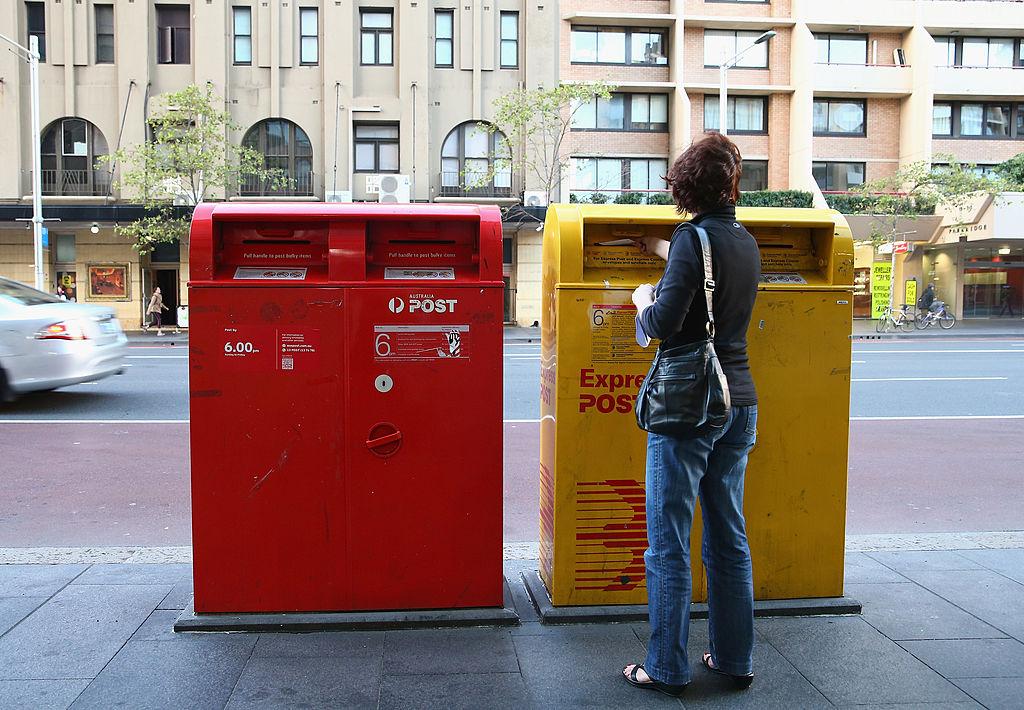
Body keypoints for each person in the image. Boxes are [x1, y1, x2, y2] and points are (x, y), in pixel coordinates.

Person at [622, 133, 761, 697]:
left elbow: (663, 322)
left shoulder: (690, 239)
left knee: (668, 541)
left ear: (682, 185)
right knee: (728, 538)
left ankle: (666, 667)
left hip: (690, 407)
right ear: (731, 184)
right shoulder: (744, 240)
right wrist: (661, 248)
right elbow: (705, 275)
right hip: (739, 402)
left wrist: (639, 299)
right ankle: (733, 659)